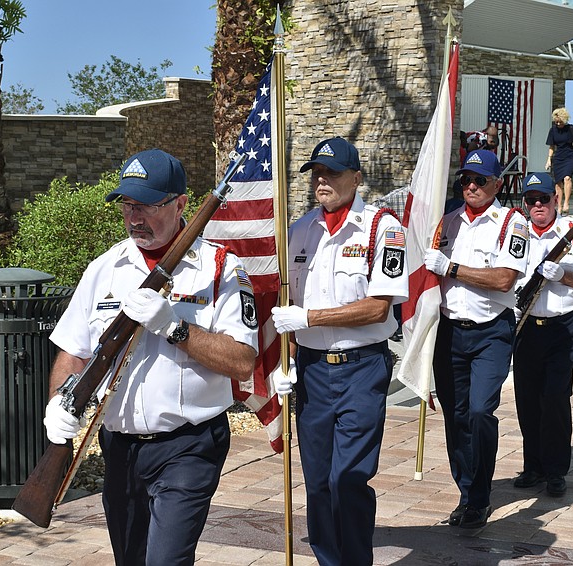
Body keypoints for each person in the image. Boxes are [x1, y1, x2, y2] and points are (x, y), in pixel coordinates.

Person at [42, 148, 258, 565]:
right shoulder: (103, 269)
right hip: (119, 448)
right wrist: (58, 404)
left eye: (146, 205)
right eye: (127, 204)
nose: (134, 217)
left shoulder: (220, 269)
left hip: (188, 446)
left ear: (180, 204)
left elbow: (242, 361)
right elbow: (74, 350)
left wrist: (176, 328)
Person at [270, 136, 408, 566]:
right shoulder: (298, 231)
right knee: (316, 483)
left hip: (361, 370)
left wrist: (308, 319)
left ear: (356, 178)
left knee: (348, 478)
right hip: (311, 372)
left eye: (331, 172)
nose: (321, 180)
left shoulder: (383, 229)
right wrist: (282, 360)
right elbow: (278, 300)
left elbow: (377, 307)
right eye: (316, 173)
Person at [422, 149, 529, 530]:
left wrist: (450, 267)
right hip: (450, 333)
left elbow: (503, 278)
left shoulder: (510, 223)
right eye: (465, 179)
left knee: (481, 411)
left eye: (480, 180)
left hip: (490, 333)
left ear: (497, 184)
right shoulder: (446, 222)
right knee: (456, 417)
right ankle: (467, 494)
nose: (471, 186)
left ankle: (479, 495)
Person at [512, 172, 573, 498]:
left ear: (555, 200)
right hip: (526, 327)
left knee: (554, 399)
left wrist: (564, 275)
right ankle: (533, 466)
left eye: (544, 199)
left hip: (563, 328)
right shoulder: (515, 234)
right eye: (531, 200)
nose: (538, 205)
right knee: (527, 400)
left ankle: (555, 470)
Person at [545, 107, 573, 215]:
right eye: (556, 121)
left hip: (570, 156)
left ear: (564, 119)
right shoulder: (553, 130)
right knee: (558, 183)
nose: (558, 124)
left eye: (560, 122)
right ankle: (559, 206)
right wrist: (549, 159)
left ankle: (566, 203)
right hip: (558, 158)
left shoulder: (570, 128)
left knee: (567, 178)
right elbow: (551, 146)